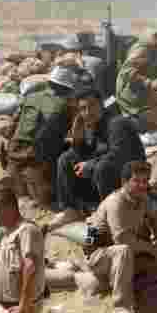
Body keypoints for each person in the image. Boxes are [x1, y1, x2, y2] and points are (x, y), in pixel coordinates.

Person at [82, 161, 157, 313]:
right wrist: (150, 248)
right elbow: (122, 239)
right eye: (136, 181)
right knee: (124, 250)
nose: (142, 185)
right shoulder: (116, 202)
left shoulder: (142, 198)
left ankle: (120, 280)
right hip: (98, 254)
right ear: (125, 182)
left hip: (124, 255)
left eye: (145, 181)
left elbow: (155, 215)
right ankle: (121, 307)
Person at [53, 87, 146, 221]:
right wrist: (77, 141)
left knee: (102, 167)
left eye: (92, 106)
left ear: (101, 105)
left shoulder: (117, 123)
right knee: (66, 158)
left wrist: (89, 165)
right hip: (109, 176)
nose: (88, 112)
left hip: (132, 176)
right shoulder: (93, 125)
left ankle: (112, 213)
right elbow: (89, 153)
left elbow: (119, 154)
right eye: (83, 109)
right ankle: (71, 209)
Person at [3, 65, 81, 211]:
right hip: (36, 156)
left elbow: (13, 125)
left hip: (14, 152)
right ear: (67, 89)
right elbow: (75, 135)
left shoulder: (30, 97)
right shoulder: (66, 105)